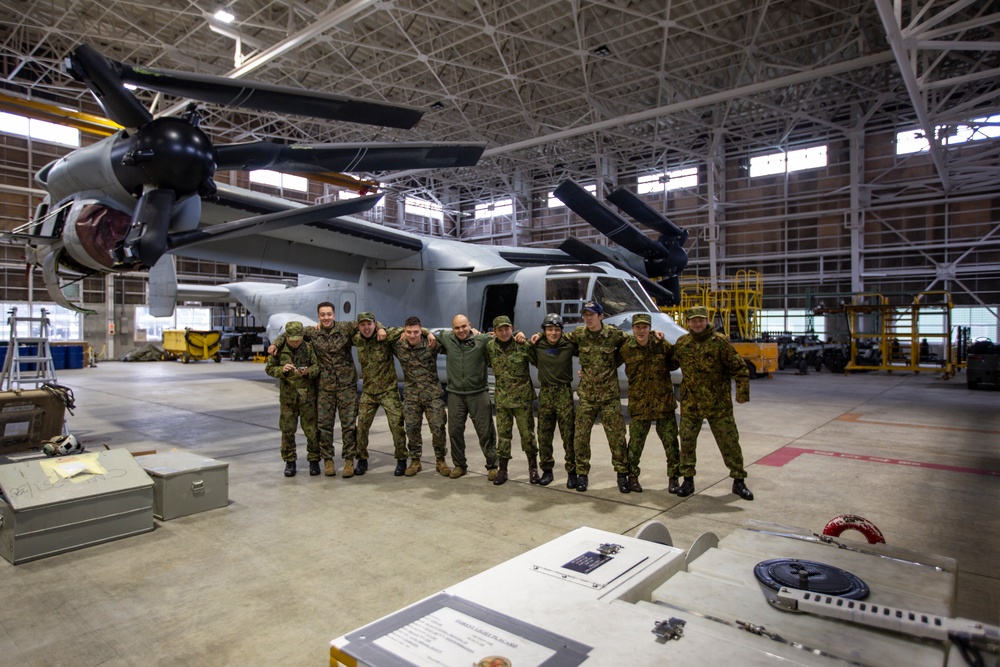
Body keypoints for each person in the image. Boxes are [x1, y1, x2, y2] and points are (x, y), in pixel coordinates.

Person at [269, 303, 366, 478]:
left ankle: (349, 461)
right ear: (318, 317)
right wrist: (275, 344)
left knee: (349, 426)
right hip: (325, 388)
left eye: (329, 314)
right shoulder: (311, 332)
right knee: (324, 427)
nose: (326, 317)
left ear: (334, 315)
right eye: (323, 315)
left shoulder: (345, 328)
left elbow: (366, 323)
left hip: (346, 387)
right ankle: (328, 460)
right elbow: (288, 334)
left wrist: (380, 328)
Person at [673, 305, 754, 500]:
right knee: (687, 443)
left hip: (719, 404)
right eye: (693, 321)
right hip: (691, 403)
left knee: (729, 442)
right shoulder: (682, 343)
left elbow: (740, 369)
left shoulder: (720, 342)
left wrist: (741, 394)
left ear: (706, 320)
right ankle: (688, 480)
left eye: (700, 320)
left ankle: (738, 481)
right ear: (688, 322)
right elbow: (669, 362)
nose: (697, 324)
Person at [562, 300, 628, 493]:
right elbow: (556, 338)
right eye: (585, 315)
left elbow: (631, 342)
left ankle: (622, 475)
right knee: (580, 437)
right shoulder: (579, 334)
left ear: (601, 316)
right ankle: (582, 475)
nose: (588, 318)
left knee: (617, 438)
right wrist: (522, 335)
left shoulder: (613, 334)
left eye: (592, 314)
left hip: (609, 397)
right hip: (587, 397)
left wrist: (615, 362)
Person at [619, 312, 679, 494]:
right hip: (640, 404)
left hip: (663, 404)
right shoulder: (626, 348)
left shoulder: (661, 344)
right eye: (638, 327)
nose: (641, 330)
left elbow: (675, 361)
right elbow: (608, 362)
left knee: (671, 444)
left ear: (650, 328)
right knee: (635, 445)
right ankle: (633, 477)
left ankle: (674, 478)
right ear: (633, 328)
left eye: (645, 327)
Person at [353, 312, 417, 477]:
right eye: (362, 325)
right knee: (361, 429)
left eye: (369, 324)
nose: (366, 328)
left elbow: (410, 330)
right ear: (358, 326)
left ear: (375, 324)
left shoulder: (385, 336)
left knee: (396, 426)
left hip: (388, 391)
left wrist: (427, 332)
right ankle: (362, 459)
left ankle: (401, 459)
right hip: (368, 392)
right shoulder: (357, 339)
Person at [436, 314, 497, 480]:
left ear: (469, 325)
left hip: (478, 393)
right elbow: (425, 333)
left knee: (486, 432)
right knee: (455, 431)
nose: (461, 330)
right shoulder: (447, 339)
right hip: (455, 394)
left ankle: (492, 466)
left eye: (464, 326)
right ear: (452, 328)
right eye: (457, 327)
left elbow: (504, 335)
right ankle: (459, 465)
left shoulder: (482, 340)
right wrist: (426, 333)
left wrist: (518, 333)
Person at [394, 316, 451, 477]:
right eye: (409, 332)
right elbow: (383, 330)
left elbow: (451, 343)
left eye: (416, 332)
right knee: (412, 429)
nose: (413, 335)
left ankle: (441, 460)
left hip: (432, 394)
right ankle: (415, 461)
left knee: (438, 428)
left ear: (421, 331)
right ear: (404, 331)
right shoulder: (399, 344)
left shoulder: (431, 343)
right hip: (411, 396)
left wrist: (428, 333)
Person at [526, 313, 576, 487]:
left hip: (564, 393)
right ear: (544, 331)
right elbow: (519, 341)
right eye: (549, 330)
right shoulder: (537, 345)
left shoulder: (569, 344)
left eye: (556, 329)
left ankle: (572, 472)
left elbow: (589, 348)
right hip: (546, 393)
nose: (553, 333)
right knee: (544, 435)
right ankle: (547, 470)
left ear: (561, 330)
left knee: (568, 435)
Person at [485, 315, 536, 486]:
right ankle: (503, 470)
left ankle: (533, 469)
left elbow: (540, 361)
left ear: (512, 328)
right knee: (503, 437)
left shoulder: (522, 345)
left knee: (527, 435)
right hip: (503, 401)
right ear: (495, 331)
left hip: (522, 400)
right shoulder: (490, 347)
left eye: (507, 328)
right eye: (500, 329)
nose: (504, 332)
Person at [265, 321, 319, 477]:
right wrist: (282, 370)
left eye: (298, 339)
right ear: (286, 337)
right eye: (292, 340)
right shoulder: (279, 350)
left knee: (311, 430)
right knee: (288, 430)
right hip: (288, 399)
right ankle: (290, 461)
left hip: (307, 397)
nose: (295, 342)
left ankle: (314, 460)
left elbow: (317, 368)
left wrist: (308, 371)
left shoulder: (308, 348)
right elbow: (269, 369)